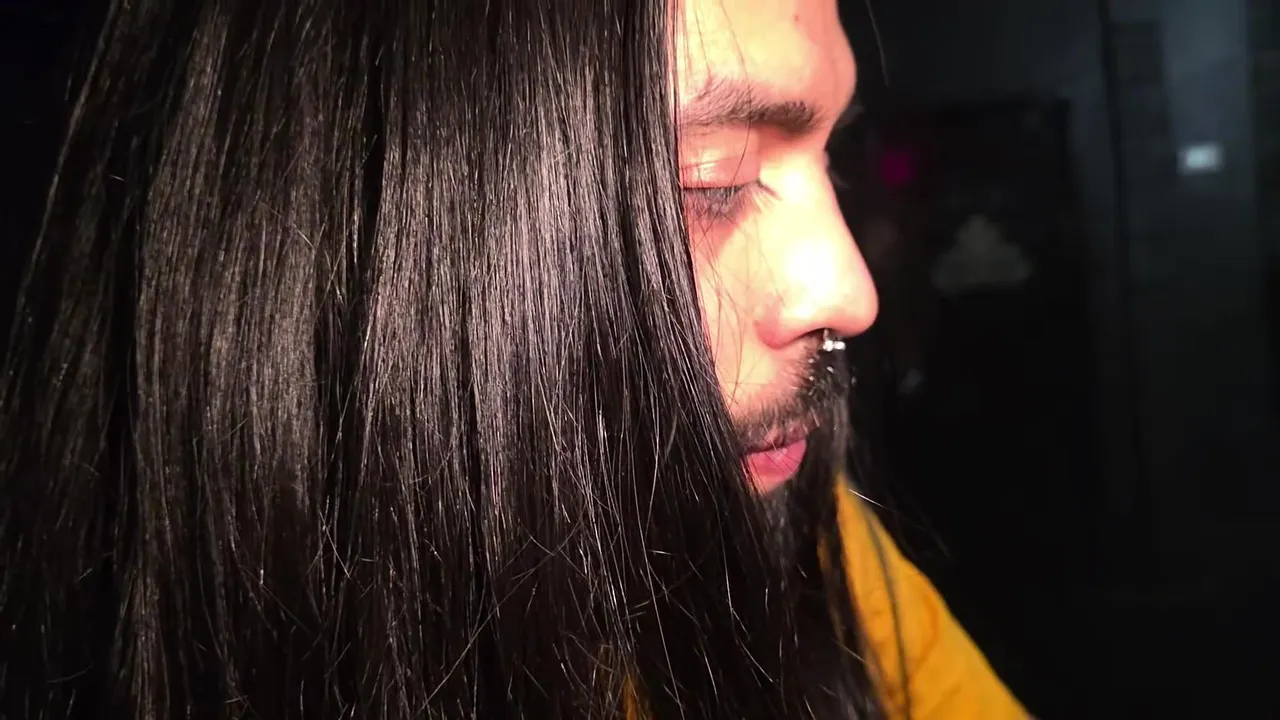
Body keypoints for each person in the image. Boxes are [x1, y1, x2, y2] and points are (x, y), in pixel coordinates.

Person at [0, 0, 1029, 718]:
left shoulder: (796, 529)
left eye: (826, 160)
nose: (849, 292)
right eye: (711, 182)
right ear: (366, 236)